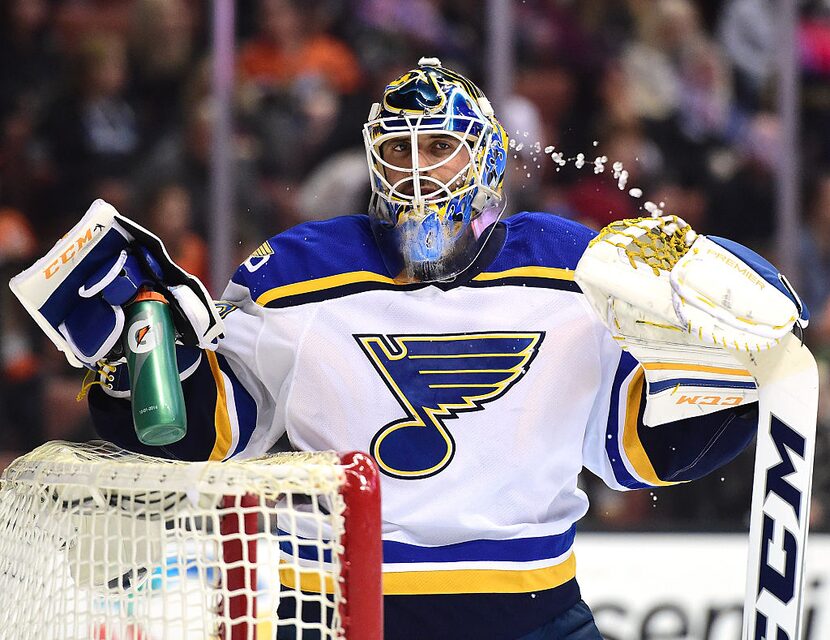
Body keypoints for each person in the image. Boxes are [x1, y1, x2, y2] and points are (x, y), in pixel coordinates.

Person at [12, 59, 807, 640]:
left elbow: (641, 447)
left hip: (530, 613)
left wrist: (731, 381)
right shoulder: (296, 271)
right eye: (400, 150)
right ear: (371, 159)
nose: (418, 172)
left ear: (488, 159)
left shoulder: (576, 266)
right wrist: (139, 369)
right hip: (335, 609)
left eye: (441, 149)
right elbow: (211, 429)